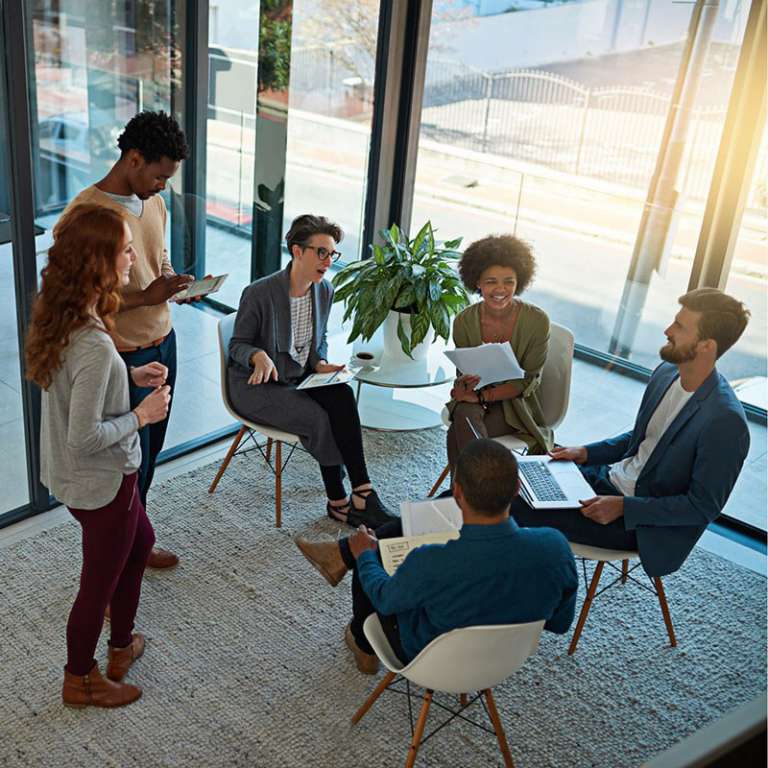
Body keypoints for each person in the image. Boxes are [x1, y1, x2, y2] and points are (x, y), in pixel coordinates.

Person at [26, 204, 172, 707]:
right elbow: (84, 436)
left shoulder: (67, 313)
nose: (134, 257)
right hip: (100, 481)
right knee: (97, 586)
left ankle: (121, 645)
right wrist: (144, 414)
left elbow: (76, 392)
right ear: (100, 261)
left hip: (85, 479)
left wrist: (128, 378)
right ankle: (80, 677)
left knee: (140, 544)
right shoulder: (91, 342)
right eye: (126, 250)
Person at [511, 288, 751, 579]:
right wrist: (586, 452)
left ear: (706, 346)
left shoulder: (724, 421)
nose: (667, 330)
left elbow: (701, 507)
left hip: (638, 524)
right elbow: (642, 437)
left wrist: (625, 507)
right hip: (607, 482)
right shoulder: (666, 373)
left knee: (502, 504)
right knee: (497, 475)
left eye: (680, 326)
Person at [295, 439, 578, 674]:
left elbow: (384, 598)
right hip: (504, 660)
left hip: (428, 657)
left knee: (373, 555)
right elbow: (559, 623)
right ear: (517, 489)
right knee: (386, 544)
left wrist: (366, 556)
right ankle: (340, 555)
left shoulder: (429, 561)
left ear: (457, 494)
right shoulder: (556, 548)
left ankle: (364, 646)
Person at [55, 110, 192, 569]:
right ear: (133, 158)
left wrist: (171, 284)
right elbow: (73, 300)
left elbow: (160, 256)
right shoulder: (86, 215)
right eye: (159, 175)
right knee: (122, 472)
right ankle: (117, 556)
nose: (163, 186)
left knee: (148, 461)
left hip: (162, 342)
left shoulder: (152, 201)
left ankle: (138, 539)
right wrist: (143, 298)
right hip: (119, 355)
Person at [228, 214, 395, 528]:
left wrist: (320, 363)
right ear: (297, 251)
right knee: (317, 417)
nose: (327, 260)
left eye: (332, 254)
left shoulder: (324, 290)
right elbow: (237, 345)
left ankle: (363, 491)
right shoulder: (259, 293)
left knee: (342, 395)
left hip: (300, 374)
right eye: (321, 252)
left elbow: (319, 339)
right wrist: (258, 355)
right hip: (258, 385)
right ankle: (338, 500)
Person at [447, 235, 552, 473]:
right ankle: (480, 487)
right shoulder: (464, 321)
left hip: (515, 406)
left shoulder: (537, 321)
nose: (500, 289)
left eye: (509, 281)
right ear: (478, 283)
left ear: (520, 282)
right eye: (491, 281)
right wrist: (464, 388)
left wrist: (481, 398)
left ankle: (466, 490)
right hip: (475, 399)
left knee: (459, 425)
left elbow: (528, 381)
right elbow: (464, 373)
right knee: (464, 413)